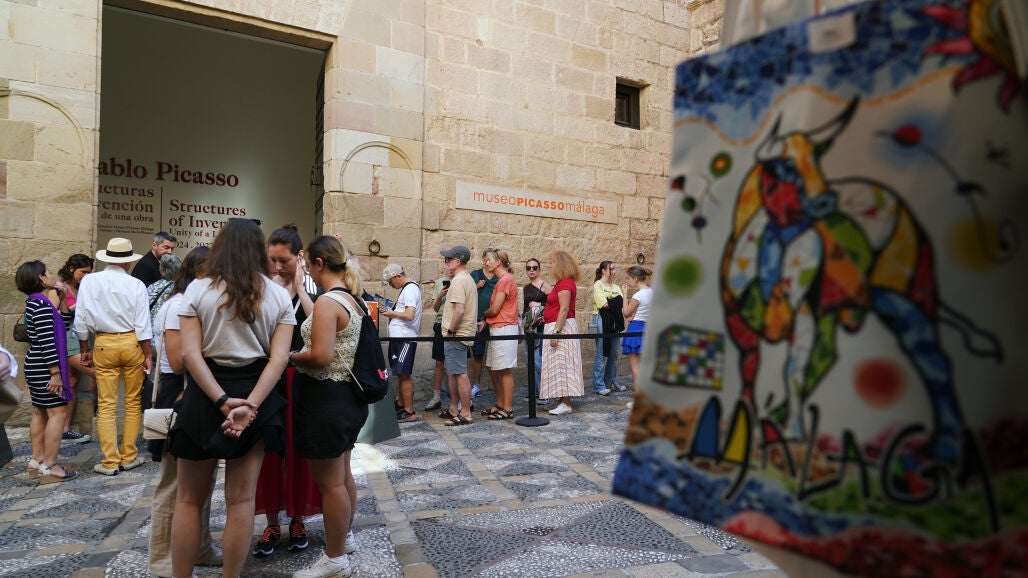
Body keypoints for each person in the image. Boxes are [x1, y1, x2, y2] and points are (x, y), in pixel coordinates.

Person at [168, 218, 294, 578]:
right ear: (259, 251)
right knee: (241, 500)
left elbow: (190, 355)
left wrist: (222, 400)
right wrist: (249, 404)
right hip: (257, 391)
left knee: (188, 499)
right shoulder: (277, 295)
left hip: (205, 392)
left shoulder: (198, 289)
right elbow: (278, 360)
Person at [288, 235, 369, 577]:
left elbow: (321, 355)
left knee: (330, 484)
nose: (307, 271)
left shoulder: (328, 302)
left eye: (308, 266)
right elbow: (321, 327)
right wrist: (301, 291)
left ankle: (335, 559)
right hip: (346, 398)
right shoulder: (350, 298)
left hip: (325, 399)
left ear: (319, 263)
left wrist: (290, 356)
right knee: (342, 475)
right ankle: (343, 537)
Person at [147, 247, 222, 577]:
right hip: (177, 395)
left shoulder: (190, 303)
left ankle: (200, 547)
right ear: (198, 273)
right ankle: (164, 558)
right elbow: (179, 361)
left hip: (195, 396)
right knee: (173, 484)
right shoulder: (178, 305)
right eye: (214, 273)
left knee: (201, 481)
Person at [253, 224, 320, 558]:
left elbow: (318, 324)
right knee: (268, 452)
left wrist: (300, 288)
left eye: (284, 261)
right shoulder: (261, 291)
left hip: (298, 379)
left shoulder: (309, 292)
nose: (277, 267)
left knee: (297, 451)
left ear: (299, 258)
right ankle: (271, 522)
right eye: (273, 260)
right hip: (267, 378)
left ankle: (297, 519)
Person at [73, 238, 153, 476]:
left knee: (106, 405)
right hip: (131, 342)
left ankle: (110, 461)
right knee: (133, 402)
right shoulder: (136, 284)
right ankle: (128, 456)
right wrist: (148, 354)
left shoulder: (89, 281)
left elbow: (81, 319)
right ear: (128, 262)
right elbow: (143, 323)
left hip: (104, 343)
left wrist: (84, 348)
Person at [16, 261, 77, 481]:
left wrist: (62, 300)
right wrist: (56, 373)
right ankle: (50, 465)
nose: (52, 275)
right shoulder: (41, 306)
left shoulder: (36, 303)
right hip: (44, 366)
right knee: (57, 413)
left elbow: (63, 324)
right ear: (41, 278)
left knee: (40, 412)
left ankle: (37, 460)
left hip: (37, 364)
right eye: (48, 272)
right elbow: (47, 342)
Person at [55, 253, 94, 444]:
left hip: (80, 339)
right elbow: (52, 316)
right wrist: (77, 306)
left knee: (72, 383)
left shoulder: (81, 288)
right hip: (67, 340)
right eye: (83, 272)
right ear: (71, 269)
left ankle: (65, 429)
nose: (86, 276)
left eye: (89, 273)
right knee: (98, 372)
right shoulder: (60, 288)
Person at [541, 251, 585, 415]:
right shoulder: (562, 282)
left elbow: (564, 309)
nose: (549, 266)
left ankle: (566, 403)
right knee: (557, 364)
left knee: (563, 364)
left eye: (551, 262)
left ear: (560, 264)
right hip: (556, 326)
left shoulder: (565, 283)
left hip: (562, 328)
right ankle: (561, 400)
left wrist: (556, 332)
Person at [439, 245, 477, 426]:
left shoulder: (459, 280)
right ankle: (454, 409)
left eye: (448, 260)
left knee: (460, 373)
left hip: (457, 334)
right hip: (460, 334)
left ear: (458, 261)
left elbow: (459, 310)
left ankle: (466, 413)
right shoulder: (466, 279)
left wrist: (451, 331)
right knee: (454, 372)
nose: (446, 263)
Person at [381, 263, 422, 423]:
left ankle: (409, 411)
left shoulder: (410, 289)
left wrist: (390, 313)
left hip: (405, 338)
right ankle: (401, 404)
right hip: (400, 338)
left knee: (404, 374)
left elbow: (409, 315)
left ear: (398, 276)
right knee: (400, 373)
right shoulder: (407, 289)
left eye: (391, 281)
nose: (390, 285)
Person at [480, 250, 519, 420]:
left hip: (504, 328)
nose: (486, 263)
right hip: (497, 327)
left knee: (504, 370)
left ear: (498, 262)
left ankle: (508, 408)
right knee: (492, 366)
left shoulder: (505, 280)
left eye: (488, 260)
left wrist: (483, 315)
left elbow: (495, 309)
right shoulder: (502, 280)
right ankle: (500, 403)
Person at [591, 260, 625, 395]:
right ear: (604, 270)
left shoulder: (616, 286)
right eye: (612, 269)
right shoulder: (597, 285)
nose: (614, 271)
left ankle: (609, 382)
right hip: (601, 320)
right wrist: (616, 300)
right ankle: (598, 386)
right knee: (601, 353)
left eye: (615, 269)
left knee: (614, 353)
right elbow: (603, 304)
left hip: (615, 321)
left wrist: (614, 302)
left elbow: (621, 303)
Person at [469, 249, 498, 398]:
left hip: (494, 320)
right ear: (483, 260)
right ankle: (476, 385)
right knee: (478, 354)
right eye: (486, 259)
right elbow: (467, 292)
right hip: (478, 319)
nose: (488, 262)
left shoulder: (498, 277)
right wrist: (476, 286)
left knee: (496, 353)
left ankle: (498, 387)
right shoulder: (476, 274)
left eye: (490, 259)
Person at [522, 257, 551, 399]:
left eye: (534, 268)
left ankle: (543, 393)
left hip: (541, 326)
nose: (531, 270)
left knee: (538, 361)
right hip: (529, 326)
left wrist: (539, 304)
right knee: (529, 360)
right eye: (528, 268)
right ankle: (533, 391)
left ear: (539, 269)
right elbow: (525, 308)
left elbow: (554, 304)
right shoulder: (526, 288)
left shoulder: (544, 285)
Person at [621, 266, 653, 387]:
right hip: (648, 329)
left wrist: (625, 294)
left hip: (636, 329)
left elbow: (626, 313)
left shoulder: (638, 296)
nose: (627, 281)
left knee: (636, 367)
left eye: (628, 278)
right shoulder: (652, 293)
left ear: (635, 278)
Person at [425, 275, 449, 411]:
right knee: (439, 362)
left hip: (458, 326)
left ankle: (463, 398)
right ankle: (436, 397)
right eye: (446, 263)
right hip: (440, 324)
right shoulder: (440, 282)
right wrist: (440, 295)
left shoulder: (463, 279)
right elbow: (435, 308)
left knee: (459, 362)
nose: (448, 265)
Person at [147, 253, 182, 325]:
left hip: (150, 328)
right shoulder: (179, 289)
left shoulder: (152, 286)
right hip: (167, 328)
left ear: (161, 269)